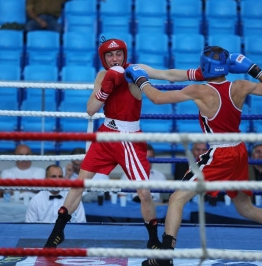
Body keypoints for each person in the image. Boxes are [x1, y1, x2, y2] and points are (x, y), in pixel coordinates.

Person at [124, 46, 262, 266]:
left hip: (219, 153)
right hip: (239, 151)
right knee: (245, 208)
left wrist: (141, 80)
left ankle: (166, 256)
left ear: (205, 66)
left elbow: (157, 98)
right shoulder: (240, 85)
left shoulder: (200, 90)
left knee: (177, 198)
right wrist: (253, 68)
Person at [44, 36, 195, 249]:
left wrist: (197, 74)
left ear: (124, 55)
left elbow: (167, 74)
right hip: (106, 134)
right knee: (79, 184)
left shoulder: (136, 70)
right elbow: (90, 109)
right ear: (103, 58)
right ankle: (56, 234)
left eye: (118, 54)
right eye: (110, 55)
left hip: (129, 138)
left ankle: (153, 239)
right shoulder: (102, 75)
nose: (115, 58)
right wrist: (105, 88)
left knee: (143, 192)